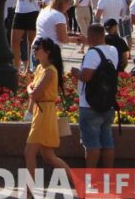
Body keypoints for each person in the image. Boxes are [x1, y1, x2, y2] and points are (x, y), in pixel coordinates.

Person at [70, 24, 119, 168]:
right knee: (107, 141)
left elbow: (86, 77)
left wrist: (75, 73)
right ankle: (108, 177)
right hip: (107, 102)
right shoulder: (113, 50)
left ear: (91, 37)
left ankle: (89, 179)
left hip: (89, 104)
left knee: (92, 144)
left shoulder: (92, 53)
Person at [24, 37, 72, 180]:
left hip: (44, 113)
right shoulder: (40, 68)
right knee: (49, 156)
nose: (34, 51)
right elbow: (34, 91)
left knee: (29, 152)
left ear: (47, 52)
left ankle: (29, 192)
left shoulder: (50, 71)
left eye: (37, 48)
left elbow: (35, 93)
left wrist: (28, 88)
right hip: (43, 112)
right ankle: (78, 182)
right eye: (34, 48)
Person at [11, 0, 42, 76]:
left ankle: (30, 68)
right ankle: (16, 67)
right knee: (15, 41)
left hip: (32, 12)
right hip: (19, 12)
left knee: (32, 42)